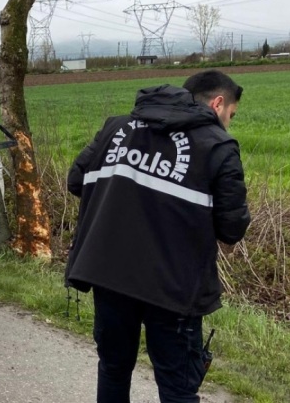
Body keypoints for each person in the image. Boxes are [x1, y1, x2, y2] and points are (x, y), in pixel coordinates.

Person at [65, 70, 251, 403]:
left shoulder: (116, 128)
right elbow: (232, 229)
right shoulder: (218, 145)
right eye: (230, 116)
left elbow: (77, 181)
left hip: (109, 272)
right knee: (177, 387)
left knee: (113, 369)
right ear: (218, 103)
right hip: (173, 285)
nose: (228, 124)